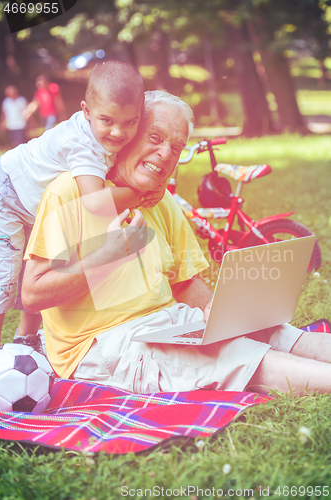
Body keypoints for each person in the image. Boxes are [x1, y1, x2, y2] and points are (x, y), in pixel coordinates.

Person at [22, 90, 331, 396]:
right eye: (155, 138)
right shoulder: (68, 193)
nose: (166, 154)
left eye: (177, 147)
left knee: (274, 331)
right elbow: (33, 294)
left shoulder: (160, 198)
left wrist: (215, 311)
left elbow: (183, 283)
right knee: (236, 358)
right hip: (103, 344)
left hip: (168, 323)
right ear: (127, 136)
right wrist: (107, 256)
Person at [0, 61, 165, 349]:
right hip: (8, 197)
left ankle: (25, 340)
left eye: (130, 122)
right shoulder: (82, 145)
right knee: (5, 277)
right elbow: (94, 203)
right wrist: (139, 192)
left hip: (29, 202)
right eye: (107, 121)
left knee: (39, 267)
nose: (117, 133)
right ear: (86, 111)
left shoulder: (104, 134)